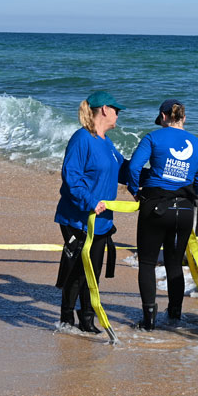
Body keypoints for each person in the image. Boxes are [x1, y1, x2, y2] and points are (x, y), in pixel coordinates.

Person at [127, 99, 198, 330]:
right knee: (174, 264)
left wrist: (135, 191)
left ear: (163, 116)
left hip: (154, 207)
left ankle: (148, 321)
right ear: (184, 117)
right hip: (183, 211)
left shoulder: (153, 138)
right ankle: (175, 316)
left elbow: (134, 168)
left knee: (147, 263)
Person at [54, 90, 128, 333]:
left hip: (102, 221)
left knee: (93, 271)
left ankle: (87, 319)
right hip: (78, 217)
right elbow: (71, 176)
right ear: (104, 109)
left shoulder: (107, 142)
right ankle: (66, 321)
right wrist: (91, 201)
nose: (118, 114)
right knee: (77, 271)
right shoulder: (82, 138)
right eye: (116, 110)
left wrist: (154, 182)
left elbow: (123, 169)